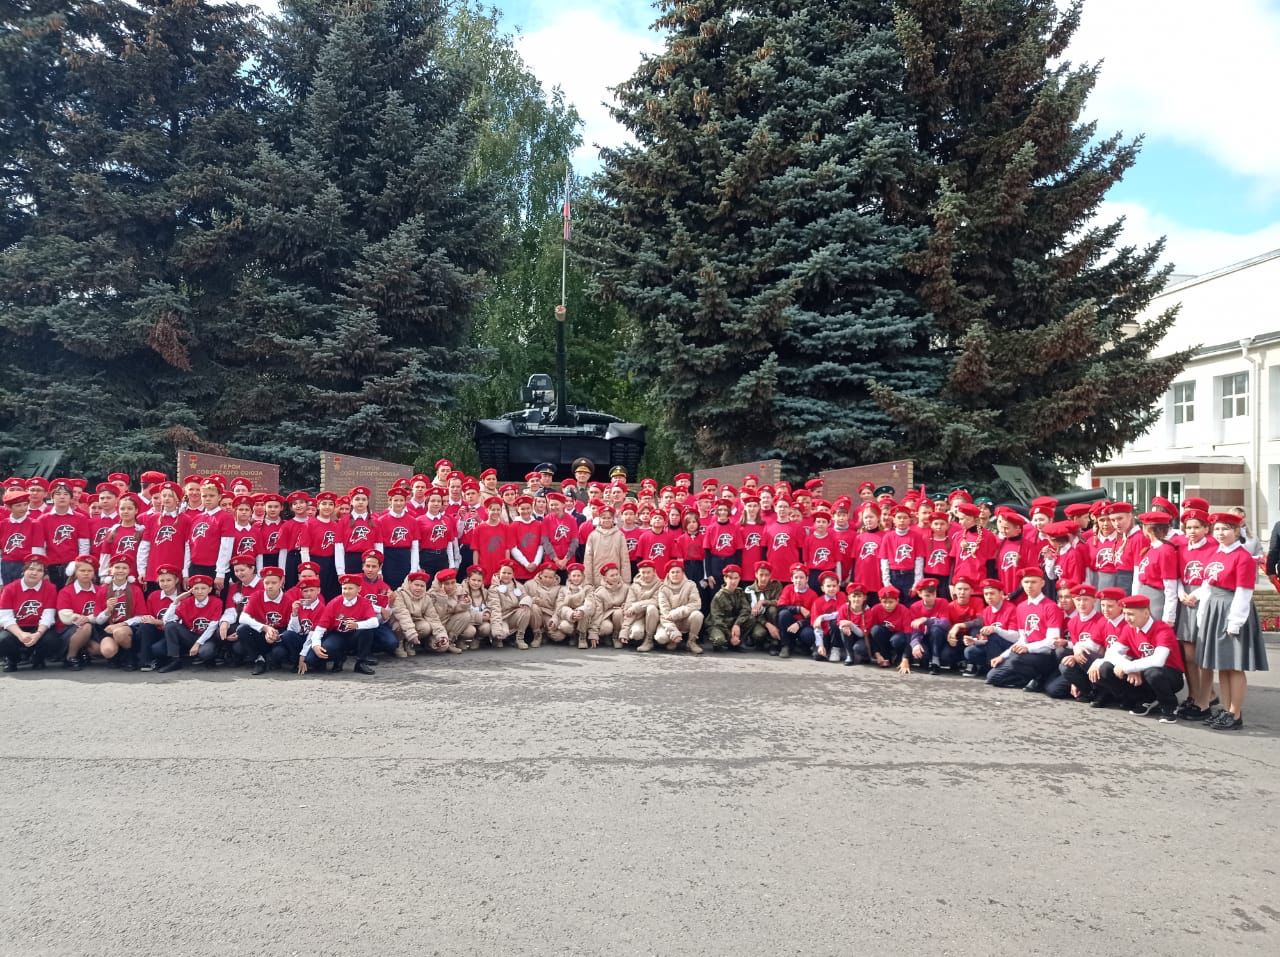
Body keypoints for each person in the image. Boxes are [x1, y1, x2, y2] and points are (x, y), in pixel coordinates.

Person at [1190, 512, 1268, 730]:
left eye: (1225, 529)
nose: (1220, 533)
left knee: (1234, 666)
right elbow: (1208, 585)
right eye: (1217, 529)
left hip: (1231, 610)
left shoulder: (1243, 557)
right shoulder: (1217, 553)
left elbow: (1244, 592)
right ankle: (1227, 709)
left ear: (1236, 531)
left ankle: (1235, 714)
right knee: (1223, 665)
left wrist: (1235, 622)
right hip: (1215, 609)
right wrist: (1199, 604)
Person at [1100, 595, 1186, 722]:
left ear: (1146, 613)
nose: (1126, 618)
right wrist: (1128, 666)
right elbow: (1111, 653)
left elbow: (1158, 660)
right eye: (1124, 614)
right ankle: (1145, 698)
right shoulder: (1129, 629)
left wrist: (1130, 667)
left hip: (1169, 675)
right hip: (1143, 672)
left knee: (1153, 673)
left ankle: (1169, 706)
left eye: (1131, 614)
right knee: (1106, 668)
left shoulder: (1162, 629)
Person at [986, 567, 1065, 692]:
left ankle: (1040, 677)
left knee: (1016, 659)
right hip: (1025, 654)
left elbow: (1052, 642)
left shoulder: (1051, 607)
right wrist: (1002, 656)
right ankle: (1029, 679)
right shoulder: (1021, 607)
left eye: (1033, 582)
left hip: (1044, 655)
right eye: (1026, 582)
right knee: (992, 677)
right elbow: (1022, 639)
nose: (1029, 585)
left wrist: (1028, 648)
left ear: (1042, 583)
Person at [297, 573, 380, 675]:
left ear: (359, 589)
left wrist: (357, 625)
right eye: (344, 588)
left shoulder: (365, 602)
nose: (347, 591)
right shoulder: (334, 603)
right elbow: (320, 628)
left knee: (367, 630)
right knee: (312, 659)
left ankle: (360, 663)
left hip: (355, 634)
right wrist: (316, 645)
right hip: (338, 635)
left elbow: (375, 622)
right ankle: (339, 659)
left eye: (350, 588)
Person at [0, 557, 59, 671]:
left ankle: (38, 658)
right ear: (24, 571)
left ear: (44, 574)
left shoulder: (50, 588)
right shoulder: (9, 588)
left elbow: (48, 615)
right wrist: (20, 634)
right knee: (3, 639)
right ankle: (12, 660)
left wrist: (38, 634)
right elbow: (5, 617)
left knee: (52, 639)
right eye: (31, 569)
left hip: (38, 627)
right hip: (16, 627)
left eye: (39, 570)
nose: (34, 573)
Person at [157, 575, 224, 673]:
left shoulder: (216, 602)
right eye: (196, 588)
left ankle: (210, 658)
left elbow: (212, 627)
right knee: (170, 626)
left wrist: (197, 644)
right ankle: (175, 660)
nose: (199, 591)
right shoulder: (186, 602)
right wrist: (176, 601)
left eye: (203, 588)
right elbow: (166, 621)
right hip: (190, 635)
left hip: (208, 638)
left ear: (209, 590)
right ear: (191, 590)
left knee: (206, 652)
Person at [235, 566, 291, 674]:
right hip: (261, 632)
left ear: (281, 582)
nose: (270, 586)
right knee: (242, 629)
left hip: (278, 635)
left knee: (279, 653)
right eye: (267, 583)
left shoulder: (288, 600)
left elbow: (291, 627)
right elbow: (243, 617)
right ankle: (258, 659)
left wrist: (276, 637)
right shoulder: (256, 596)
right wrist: (265, 628)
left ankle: (272, 659)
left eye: (274, 583)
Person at [389, 570, 452, 656]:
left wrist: (442, 636)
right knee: (399, 625)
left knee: (426, 627)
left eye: (422, 586)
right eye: (416, 585)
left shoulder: (426, 598)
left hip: (415, 623)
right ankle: (399, 644)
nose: (419, 588)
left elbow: (433, 618)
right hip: (400, 622)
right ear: (409, 583)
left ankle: (409, 643)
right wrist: (411, 634)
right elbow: (403, 615)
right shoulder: (399, 595)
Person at [655, 562, 704, 653]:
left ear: (683, 573)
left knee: (697, 615)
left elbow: (696, 603)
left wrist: (677, 612)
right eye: (672, 572)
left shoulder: (691, 585)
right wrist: (674, 631)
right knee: (661, 638)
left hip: (685, 619)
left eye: (678, 572)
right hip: (669, 621)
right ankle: (673, 640)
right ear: (668, 574)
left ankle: (691, 642)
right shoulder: (663, 589)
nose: (675, 574)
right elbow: (665, 613)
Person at [774, 563, 816, 659]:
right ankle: (785, 645)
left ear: (807, 579)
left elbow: (813, 617)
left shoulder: (813, 595)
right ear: (791, 579)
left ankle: (803, 646)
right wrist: (799, 609)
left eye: (801, 577)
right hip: (789, 624)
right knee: (783, 614)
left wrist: (799, 624)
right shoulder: (788, 589)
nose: (798, 580)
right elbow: (781, 606)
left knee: (808, 634)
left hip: (803, 625)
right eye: (796, 577)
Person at [705, 563, 751, 652]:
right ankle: (725, 642)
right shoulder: (719, 596)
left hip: (732, 623)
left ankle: (736, 643)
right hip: (718, 625)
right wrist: (731, 636)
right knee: (719, 640)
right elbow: (717, 620)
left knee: (750, 619)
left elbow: (746, 610)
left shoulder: (740, 593)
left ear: (739, 579)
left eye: (736, 578)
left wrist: (737, 624)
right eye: (730, 578)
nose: (733, 581)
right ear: (725, 579)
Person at [864, 585, 912, 669]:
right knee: (875, 630)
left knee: (897, 640)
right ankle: (885, 656)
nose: (887, 605)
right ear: (880, 601)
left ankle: (900, 656)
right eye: (884, 602)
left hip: (899, 638)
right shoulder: (875, 609)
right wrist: (876, 653)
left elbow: (909, 636)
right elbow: (871, 634)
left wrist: (906, 658)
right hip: (884, 638)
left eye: (890, 602)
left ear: (897, 600)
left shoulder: (904, 610)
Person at [582, 506, 630, 588]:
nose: (606, 520)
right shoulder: (593, 536)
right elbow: (588, 560)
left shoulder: (619, 535)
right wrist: (588, 582)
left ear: (613, 519)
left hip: (615, 578)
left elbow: (624, 559)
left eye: (609, 518)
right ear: (599, 519)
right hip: (597, 577)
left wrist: (626, 581)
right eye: (604, 518)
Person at [488, 561, 533, 649]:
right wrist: (497, 628)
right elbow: (495, 608)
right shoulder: (493, 588)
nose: (506, 575)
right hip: (501, 617)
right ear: (499, 573)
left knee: (526, 609)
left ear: (513, 575)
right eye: (504, 573)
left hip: (513, 615)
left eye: (509, 573)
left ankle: (519, 638)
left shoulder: (519, 586)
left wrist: (526, 601)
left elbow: (525, 597)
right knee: (501, 633)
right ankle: (497, 639)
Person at [622, 559, 663, 651]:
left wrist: (636, 606)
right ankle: (639, 636)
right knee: (636, 634)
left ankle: (649, 640)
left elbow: (656, 601)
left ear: (654, 572)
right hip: (639, 617)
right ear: (639, 573)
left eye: (648, 572)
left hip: (655, 617)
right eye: (643, 572)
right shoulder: (634, 586)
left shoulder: (660, 585)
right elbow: (629, 605)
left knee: (651, 608)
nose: (646, 575)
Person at [550, 563, 592, 648]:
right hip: (569, 616)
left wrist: (581, 611)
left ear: (583, 576)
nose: (576, 578)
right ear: (569, 577)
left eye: (579, 575)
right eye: (574, 576)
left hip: (583, 617)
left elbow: (590, 602)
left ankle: (582, 636)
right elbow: (559, 606)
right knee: (564, 625)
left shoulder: (588, 588)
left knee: (584, 611)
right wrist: (571, 613)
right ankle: (573, 636)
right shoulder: (563, 589)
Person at [590, 562, 630, 649]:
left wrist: (625, 606)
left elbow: (630, 604)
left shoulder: (626, 588)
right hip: (605, 617)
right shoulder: (600, 592)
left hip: (621, 617)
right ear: (605, 578)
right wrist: (593, 633)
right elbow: (598, 613)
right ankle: (605, 636)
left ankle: (616, 635)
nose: (615, 577)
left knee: (618, 613)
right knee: (606, 628)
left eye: (617, 574)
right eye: (612, 576)